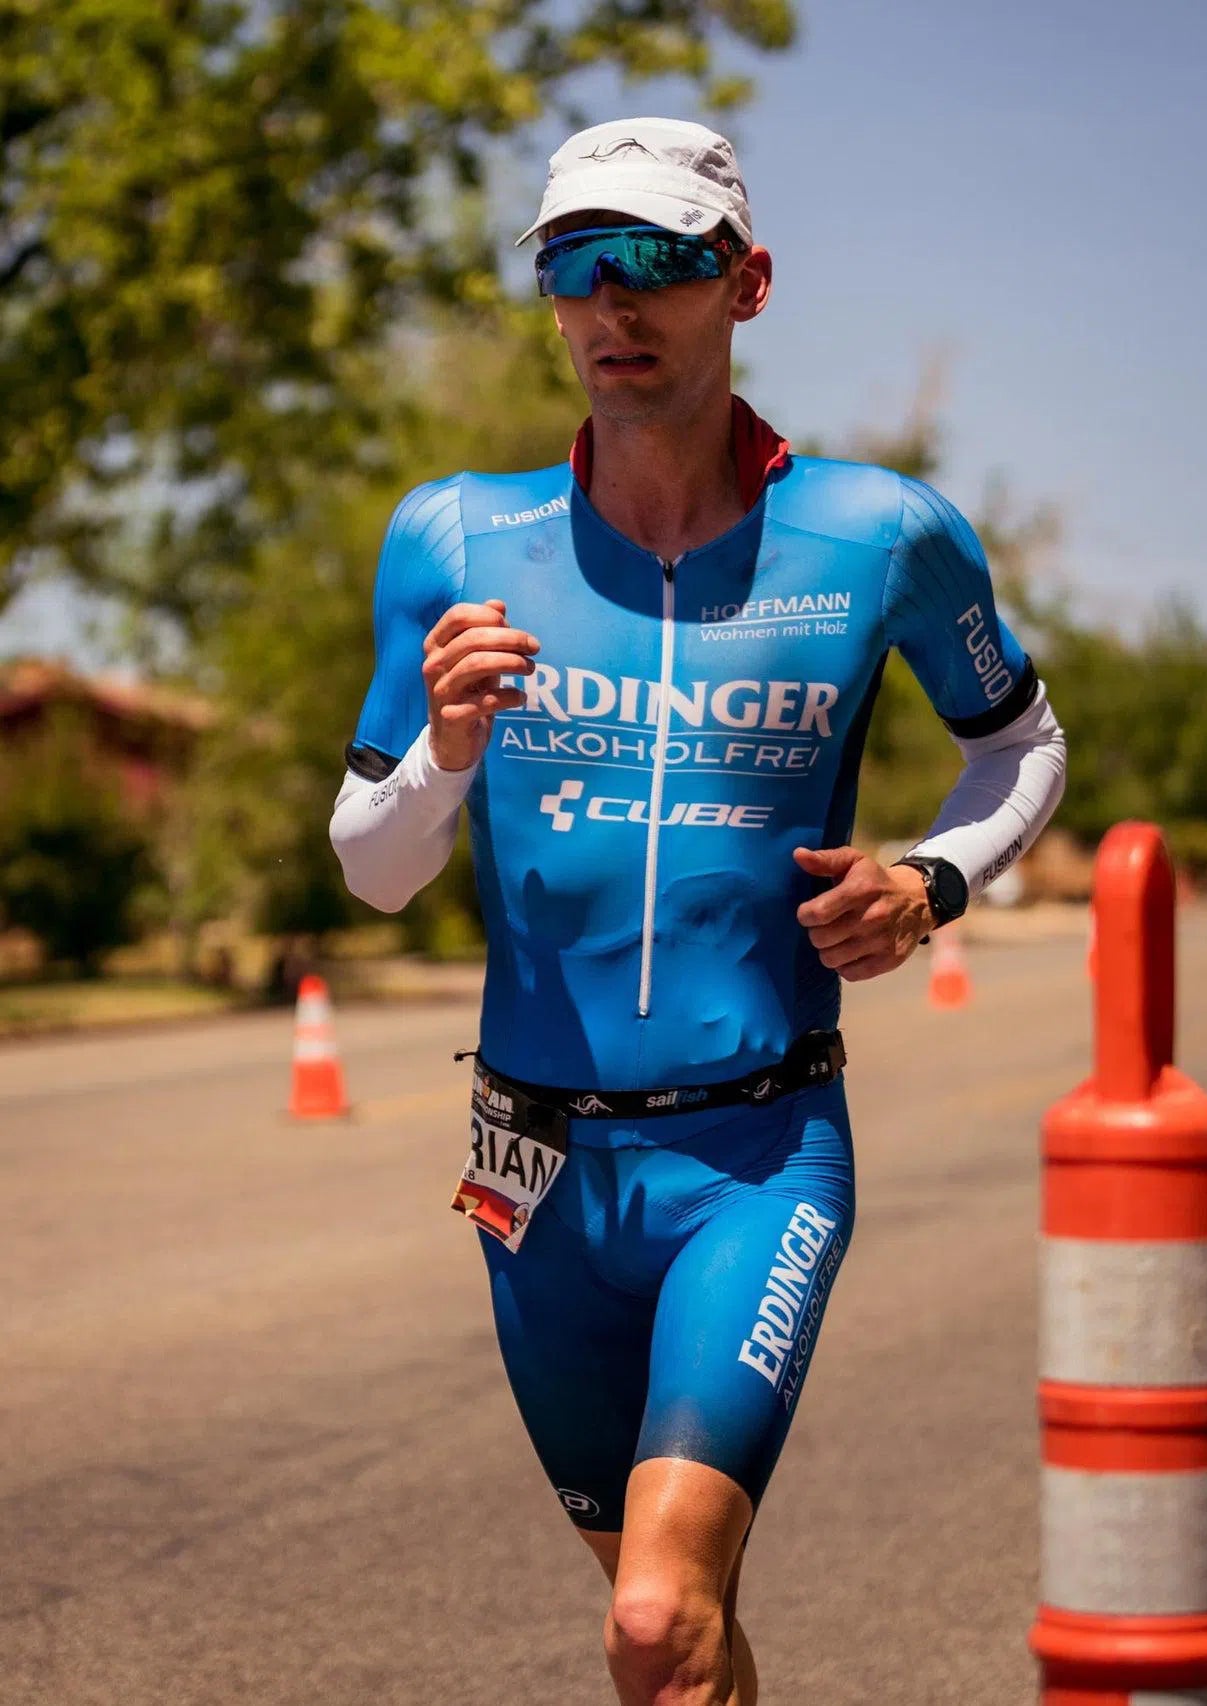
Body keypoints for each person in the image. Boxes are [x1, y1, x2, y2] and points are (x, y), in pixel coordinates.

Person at [330, 115, 1066, 1706]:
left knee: (655, 1621)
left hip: (756, 1158)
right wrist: (444, 752)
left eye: (659, 260)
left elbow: (1024, 743)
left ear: (748, 281)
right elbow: (373, 868)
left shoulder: (880, 535)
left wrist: (930, 880)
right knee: (683, 1639)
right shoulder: (455, 537)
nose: (615, 302)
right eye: (576, 265)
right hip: (530, 1176)